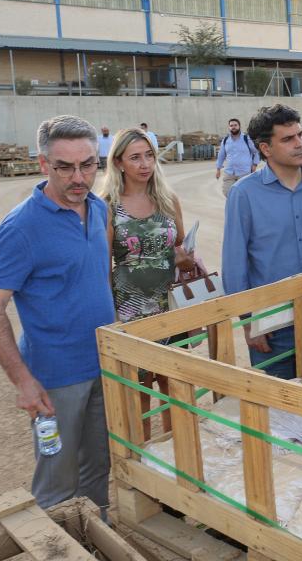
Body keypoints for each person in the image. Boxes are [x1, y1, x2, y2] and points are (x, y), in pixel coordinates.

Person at [0, 115, 115, 513]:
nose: (79, 177)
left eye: (87, 164)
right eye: (64, 167)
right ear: (42, 164)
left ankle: (96, 539)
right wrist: (23, 381)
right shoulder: (22, 227)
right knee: (57, 482)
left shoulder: (97, 210)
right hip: (54, 380)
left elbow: (97, 276)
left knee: (98, 469)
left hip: (101, 366)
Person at [222, 104, 302, 378]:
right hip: (271, 326)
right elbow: (234, 265)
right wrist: (248, 322)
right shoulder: (244, 194)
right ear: (265, 149)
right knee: (278, 412)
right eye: (288, 139)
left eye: (300, 135)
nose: (300, 144)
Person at [96, 127, 194, 440]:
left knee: (173, 384)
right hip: (129, 307)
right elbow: (102, 266)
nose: (144, 164)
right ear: (119, 163)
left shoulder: (168, 200)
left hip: (169, 305)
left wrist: (185, 258)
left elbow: (179, 246)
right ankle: (141, 457)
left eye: (149, 156)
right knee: (137, 388)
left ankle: (175, 454)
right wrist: (108, 314)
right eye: (135, 157)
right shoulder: (107, 206)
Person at [216, 118, 260, 197]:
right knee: (227, 192)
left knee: (244, 194)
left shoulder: (246, 139)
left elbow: (256, 152)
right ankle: (234, 207)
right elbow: (221, 155)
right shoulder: (225, 140)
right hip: (230, 172)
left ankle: (242, 208)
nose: (233, 127)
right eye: (231, 125)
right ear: (229, 127)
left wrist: (255, 164)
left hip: (244, 172)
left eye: (235, 125)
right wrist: (218, 169)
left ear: (239, 126)